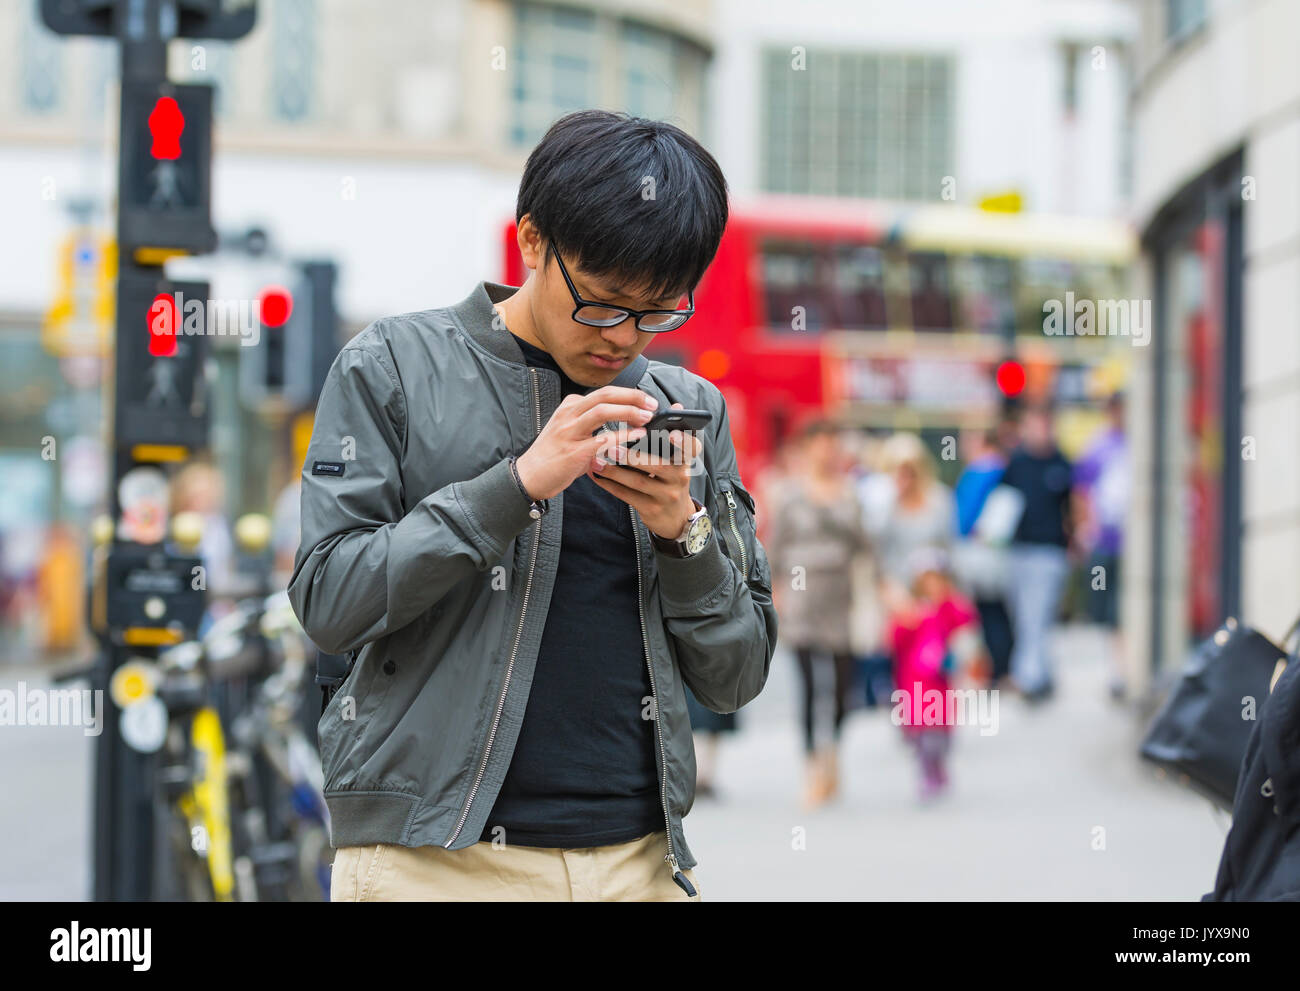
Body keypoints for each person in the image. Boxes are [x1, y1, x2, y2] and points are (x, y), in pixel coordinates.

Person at [290, 111, 777, 902]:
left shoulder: (688, 408)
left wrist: (681, 535)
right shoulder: (394, 366)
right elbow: (329, 601)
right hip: (433, 865)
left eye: (659, 311)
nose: (624, 337)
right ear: (533, 242)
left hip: (637, 863)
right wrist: (513, 486)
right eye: (605, 303)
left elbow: (736, 675)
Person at [765, 419, 870, 809]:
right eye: (821, 444)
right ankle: (812, 767)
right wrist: (775, 591)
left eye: (834, 444)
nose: (827, 452)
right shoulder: (790, 495)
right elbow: (776, 546)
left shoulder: (851, 495)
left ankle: (833, 754)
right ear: (809, 448)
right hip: (802, 595)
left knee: (843, 688)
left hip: (840, 598)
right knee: (808, 685)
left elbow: (864, 545)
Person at [886, 548, 977, 802]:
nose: (932, 587)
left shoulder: (950, 608)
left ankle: (939, 766)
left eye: (937, 580)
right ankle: (926, 772)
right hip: (912, 684)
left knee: (941, 735)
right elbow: (893, 641)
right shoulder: (909, 611)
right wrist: (904, 621)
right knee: (919, 735)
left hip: (940, 684)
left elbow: (967, 628)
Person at [1000, 403, 1074, 703]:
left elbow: (1073, 507)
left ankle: (1031, 677)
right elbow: (1003, 503)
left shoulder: (1061, 463)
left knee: (1038, 613)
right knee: (1024, 615)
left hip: (1050, 551)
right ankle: (1036, 671)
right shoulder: (1017, 463)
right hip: (1020, 550)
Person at [1072, 392, 1129, 700]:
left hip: (1132, 543)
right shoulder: (1098, 447)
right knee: (1110, 610)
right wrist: (1087, 529)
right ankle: (1118, 670)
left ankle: (1126, 669)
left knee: (1125, 607)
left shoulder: (1140, 443)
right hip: (1107, 541)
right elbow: (1083, 491)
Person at [951, 427, 1014, 687]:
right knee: (997, 613)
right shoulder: (1002, 470)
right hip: (998, 556)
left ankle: (996, 670)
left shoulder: (982, 471)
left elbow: (963, 518)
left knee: (988, 614)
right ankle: (1000, 669)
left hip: (982, 555)